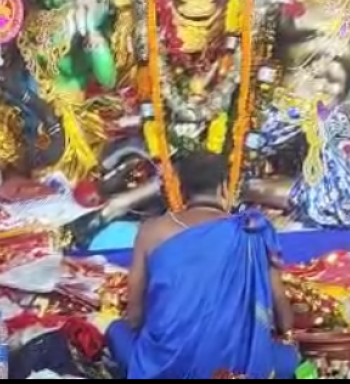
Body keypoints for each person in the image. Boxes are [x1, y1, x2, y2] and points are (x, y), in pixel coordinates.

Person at [106, 153, 298, 379]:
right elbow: (283, 314)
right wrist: (284, 337)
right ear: (224, 187)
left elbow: (135, 316)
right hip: (238, 367)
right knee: (288, 358)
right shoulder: (251, 231)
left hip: (165, 368)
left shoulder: (151, 231)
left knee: (116, 331)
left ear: (181, 188)